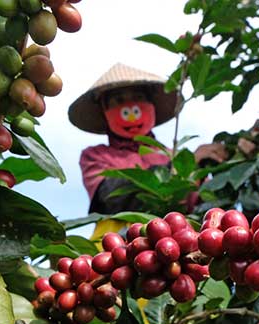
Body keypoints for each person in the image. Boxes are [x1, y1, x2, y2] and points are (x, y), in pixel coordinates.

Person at [68, 63, 227, 239]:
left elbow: (200, 207)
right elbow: (110, 198)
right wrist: (178, 169)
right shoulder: (95, 155)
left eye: (138, 97)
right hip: (117, 245)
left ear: (151, 105)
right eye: (118, 101)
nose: (130, 110)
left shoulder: (174, 155)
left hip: (174, 243)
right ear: (104, 110)